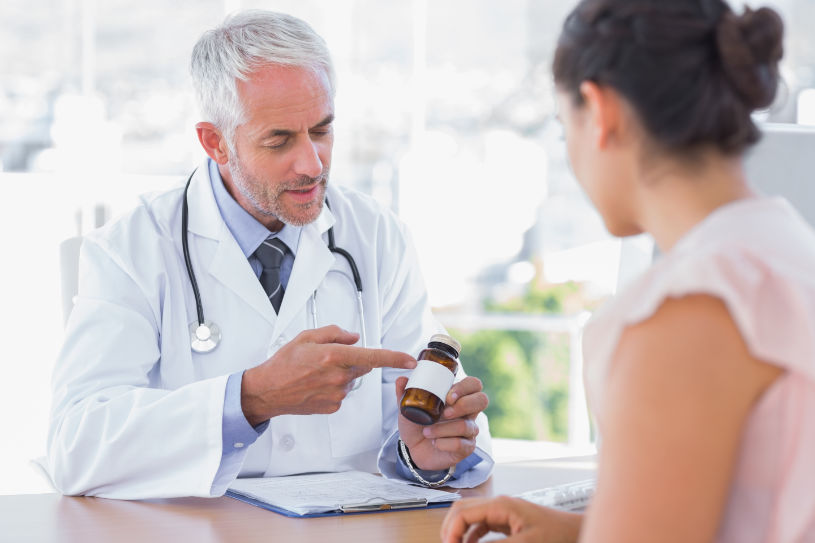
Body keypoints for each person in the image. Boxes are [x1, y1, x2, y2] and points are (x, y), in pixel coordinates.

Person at [46, 10, 493, 499]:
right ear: (215, 142)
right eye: (279, 140)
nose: (312, 164)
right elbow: (76, 446)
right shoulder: (131, 248)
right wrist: (252, 398)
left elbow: (429, 406)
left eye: (321, 131)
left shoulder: (377, 235)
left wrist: (425, 453)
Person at [442, 0, 815, 542]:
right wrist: (580, 532)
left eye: (563, 123)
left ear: (599, 110)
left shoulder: (687, 312)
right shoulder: (787, 250)